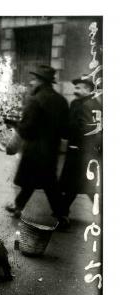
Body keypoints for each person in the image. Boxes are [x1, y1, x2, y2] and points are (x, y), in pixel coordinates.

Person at [4, 65, 70, 228]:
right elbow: (65, 130)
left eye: (34, 79)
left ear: (41, 81)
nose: (31, 82)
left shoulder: (35, 100)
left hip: (35, 150)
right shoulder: (61, 101)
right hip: (51, 150)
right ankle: (19, 206)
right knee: (39, 181)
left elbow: (27, 128)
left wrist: (15, 125)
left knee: (44, 183)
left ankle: (61, 215)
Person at [59, 76, 102, 217]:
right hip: (77, 150)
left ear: (88, 89)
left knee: (86, 187)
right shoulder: (78, 103)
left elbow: (87, 130)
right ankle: (62, 212)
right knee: (74, 185)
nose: (75, 90)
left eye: (78, 87)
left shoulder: (90, 105)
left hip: (83, 153)